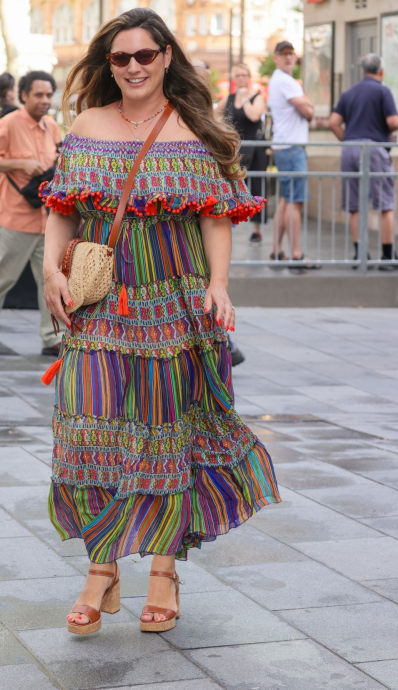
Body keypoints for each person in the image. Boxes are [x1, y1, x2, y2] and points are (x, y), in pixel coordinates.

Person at [41, 7, 281, 635]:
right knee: (87, 433)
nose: (134, 67)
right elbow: (61, 208)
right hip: (98, 307)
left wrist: (220, 286)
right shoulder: (87, 123)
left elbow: (215, 217)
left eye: (145, 55)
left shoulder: (194, 130)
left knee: (163, 438)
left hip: (174, 307)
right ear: (108, 64)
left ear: (167, 57)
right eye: (121, 58)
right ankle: (102, 567)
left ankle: (163, 573)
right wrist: (50, 271)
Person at [0, 71, 62, 356]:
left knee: (51, 279)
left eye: (48, 95)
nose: (45, 100)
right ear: (24, 95)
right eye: (39, 95)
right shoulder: (8, 124)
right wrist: (22, 163)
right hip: (14, 216)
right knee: (1, 277)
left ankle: (53, 337)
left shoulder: (51, 126)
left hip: (47, 216)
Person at [328, 53, 398, 271]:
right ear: (381, 72)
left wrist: (348, 140)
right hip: (374, 150)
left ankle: (360, 254)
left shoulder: (349, 93)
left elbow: (333, 122)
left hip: (350, 149)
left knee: (354, 205)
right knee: (385, 204)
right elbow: (393, 121)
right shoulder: (383, 91)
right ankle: (387, 257)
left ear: (362, 71)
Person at [268, 41, 318, 268]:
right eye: (283, 54)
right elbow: (308, 111)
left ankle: (277, 250)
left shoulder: (281, 80)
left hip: (284, 146)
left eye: (291, 53)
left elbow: (305, 107)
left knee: (287, 200)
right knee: (295, 202)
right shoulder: (286, 81)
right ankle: (296, 253)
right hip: (291, 148)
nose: (288, 57)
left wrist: (305, 100)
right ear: (276, 57)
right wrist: (308, 102)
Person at [217, 63, 268, 243]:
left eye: (244, 75)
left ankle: (256, 229)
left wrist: (245, 99)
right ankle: (228, 221)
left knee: (257, 188)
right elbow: (213, 114)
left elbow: (254, 116)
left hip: (255, 150)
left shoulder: (257, 97)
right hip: (235, 151)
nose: (241, 79)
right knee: (230, 186)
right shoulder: (229, 98)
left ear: (249, 78)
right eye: (238, 75)